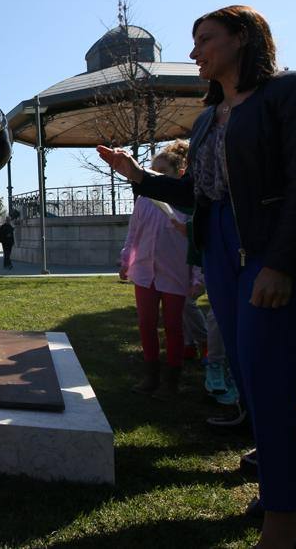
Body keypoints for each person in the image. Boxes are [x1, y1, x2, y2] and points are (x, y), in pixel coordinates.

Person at [98, 5, 296, 548]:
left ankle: (283, 520)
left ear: (244, 38)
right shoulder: (208, 119)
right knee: (252, 380)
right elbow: (200, 196)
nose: (195, 51)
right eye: (194, 40)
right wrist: (137, 176)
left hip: (279, 247)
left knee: (276, 381)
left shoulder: (295, 91)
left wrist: (278, 262)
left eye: (205, 39)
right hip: (223, 250)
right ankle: (283, 480)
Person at [119, 141, 203, 399]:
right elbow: (133, 235)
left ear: (179, 174)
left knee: (173, 326)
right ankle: (151, 375)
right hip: (145, 273)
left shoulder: (187, 206)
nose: (155, 176)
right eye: (153, 171)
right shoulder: (144, 201)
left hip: (174, 274)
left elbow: (198, 241)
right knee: (146, 324)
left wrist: (199, 277)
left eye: (162, 172)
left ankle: (172, 380)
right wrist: (125, 261)